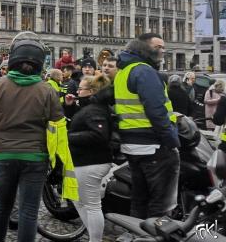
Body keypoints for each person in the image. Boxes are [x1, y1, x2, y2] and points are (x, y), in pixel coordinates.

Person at [0, 37, 63, 242]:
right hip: (35, 157)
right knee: (28, 211)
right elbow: (58, 127)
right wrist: (57, 160)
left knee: (1, 207)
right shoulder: (47, 91)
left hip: (3, 155)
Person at [114, 33, 179, 219]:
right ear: (142, 48)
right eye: (158, 47)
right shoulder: (144, 71)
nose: (162, 51)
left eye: (163, 47)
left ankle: (138, 234)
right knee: (161, 204)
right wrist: (171, 139)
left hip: (132, 145)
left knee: (139, 200)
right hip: (154, 145)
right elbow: (156, 110)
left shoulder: (124, 71)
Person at [68, 75, 115, 242]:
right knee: (78, 200)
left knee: (91, 204)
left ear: (93, 91)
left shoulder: (95, 109)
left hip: (91, 161)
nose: (77, 91)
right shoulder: (92, 107)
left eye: (81, 89)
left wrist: (69, 137)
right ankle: (95, 236)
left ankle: (96, 239)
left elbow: (98, 135)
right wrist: (70, 107)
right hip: (85, 161)